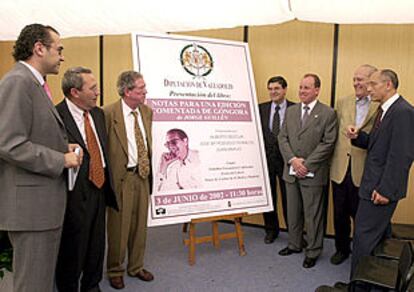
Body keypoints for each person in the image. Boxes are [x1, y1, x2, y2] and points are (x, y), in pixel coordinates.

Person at [0, 23, 82, 292]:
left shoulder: (34, 84)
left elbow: (30, 136)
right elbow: (9, 143)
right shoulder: (17, 82)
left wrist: (61, 147)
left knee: (41, 281)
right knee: (33, 284)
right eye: (58, 49)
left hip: (40, 207)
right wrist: (61, 160)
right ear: (39, 48)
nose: (62, 56)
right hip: (31, 210)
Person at [346, 69, 414, 282]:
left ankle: (357, 286)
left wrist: (385, 190)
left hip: (380, 190)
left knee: (363, 238)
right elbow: (377, 146)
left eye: (373, 84)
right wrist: (357, 137)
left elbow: (402, 155)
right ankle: (376, 282)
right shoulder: (383, 111)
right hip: (373, 185)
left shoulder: (403, 112)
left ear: (388, 85)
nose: (368, 88)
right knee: (377, 238)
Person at [55, 67, 118, 292]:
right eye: (92, 88)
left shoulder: (98, 114)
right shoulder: (56, 117)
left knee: (96, 242)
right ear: (74, 92)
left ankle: (92, 284)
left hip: (99, 187)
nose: (98, 92)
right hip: (72, 191)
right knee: (73, 245)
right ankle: (68, 287)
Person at [278, 73, 337, 268]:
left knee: (313, 216)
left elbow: (328, 143)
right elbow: (282, 137)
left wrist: (306, 165)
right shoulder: (291, 111)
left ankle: (313, 251)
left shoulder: (328, 113)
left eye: (307, 87)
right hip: (291, 172)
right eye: (301, 87)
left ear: (317, 90)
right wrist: (293, 160)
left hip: (313, 174)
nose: (302, 91)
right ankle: (294, 244)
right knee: (293, 212)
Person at [104, 71, 154, 289]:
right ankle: (115, 269)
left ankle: (136, 266)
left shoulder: (147, 112)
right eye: (141, 88)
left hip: (142, 176)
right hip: (121, 178)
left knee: (140, 226)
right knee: (119, 228)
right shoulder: (107, 113)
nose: (145, 91)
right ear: (127, 91)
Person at [329, 64, 378, 265]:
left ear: (371, 81)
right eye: (354, 79)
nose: (356, 83)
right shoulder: (342, 102)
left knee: (361, 217)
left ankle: (361, 255)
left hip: (363, 169)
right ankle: (342, 249)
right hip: (340, 168)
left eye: (361, 79)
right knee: (339, 213)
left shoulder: (379, 106)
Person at [259, 76, 294, 244]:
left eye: (277, 89)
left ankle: (293, 232)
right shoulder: (261, 109)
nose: (273, 92)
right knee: (269, 198)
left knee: (290, 199)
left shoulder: (295, 108)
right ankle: (271, 230)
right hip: (266, 161)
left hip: (288, 162)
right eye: (270, 89)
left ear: (285, 90)